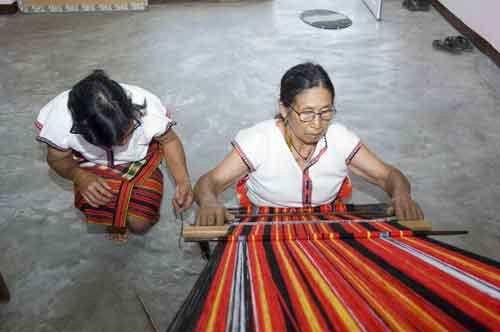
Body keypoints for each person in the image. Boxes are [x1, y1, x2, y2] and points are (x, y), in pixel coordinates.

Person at [194, 62, 423, 226]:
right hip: (265, 225)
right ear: (284, 109)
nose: (316, 124)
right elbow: (210, 181)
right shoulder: (260, 141)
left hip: (328, 224)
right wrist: (208, 201)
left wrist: (401, 195)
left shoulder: (338, 139)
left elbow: (389, 175)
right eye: (306, 113)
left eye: (325, 112)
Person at [35, 70, 193, 242]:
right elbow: (57, 159)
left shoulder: (147, 109)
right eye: (111, 142)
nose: (123, 143)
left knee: (139, 225)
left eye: (129, 132)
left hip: (139, 158)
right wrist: (79, 176)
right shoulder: (60, 120)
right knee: (102, 204)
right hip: (90, 164)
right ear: (81, 130)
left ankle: (125, 215)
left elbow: (169, 141)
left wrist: (183, 181)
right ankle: (115, 220)